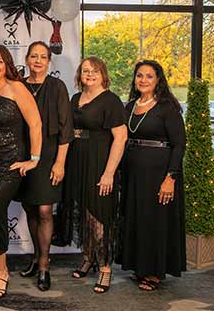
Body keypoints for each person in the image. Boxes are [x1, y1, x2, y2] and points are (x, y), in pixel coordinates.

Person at [0, 44, 42, 299]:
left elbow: (35, 124)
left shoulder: (17, 88)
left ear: (7, 64)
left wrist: (34, 159)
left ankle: (2, 271)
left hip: (10, 165)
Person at [120, 60, 186, 291]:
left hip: (159, 173)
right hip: (133, 173)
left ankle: (154, 272)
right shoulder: (129, 107)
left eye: (149, 76)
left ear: (158, 80)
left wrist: (171, 177)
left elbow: (179, 145)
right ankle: (140, 266)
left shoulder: (167, 107)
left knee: (154, 221)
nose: (143, 80)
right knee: (137, 218)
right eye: (139, 75)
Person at [62, 56, 127, 293]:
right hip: (77, 161)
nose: (89, 74)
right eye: (85, 70)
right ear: (80, 75)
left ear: (103, 74)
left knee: (100, 216)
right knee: (85, 215)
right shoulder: (75, 98)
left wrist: (109, 173)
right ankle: (89, 258)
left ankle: (105, 267)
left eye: (95, 71)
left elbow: (120, 138)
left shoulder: (111, 100)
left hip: (99, 162)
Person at [19, 41, 74, 291]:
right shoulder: (18, 85)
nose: (38, 60)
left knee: (44, 210)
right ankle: (35, 258)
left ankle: (44, 265)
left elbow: (66, 129)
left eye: (43, 56)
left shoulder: (57, 86)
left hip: (50, 154)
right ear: (27, 59)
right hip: (24, 153)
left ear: (49, 61)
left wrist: (60, 162)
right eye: (34, 56)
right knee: (30, 207)